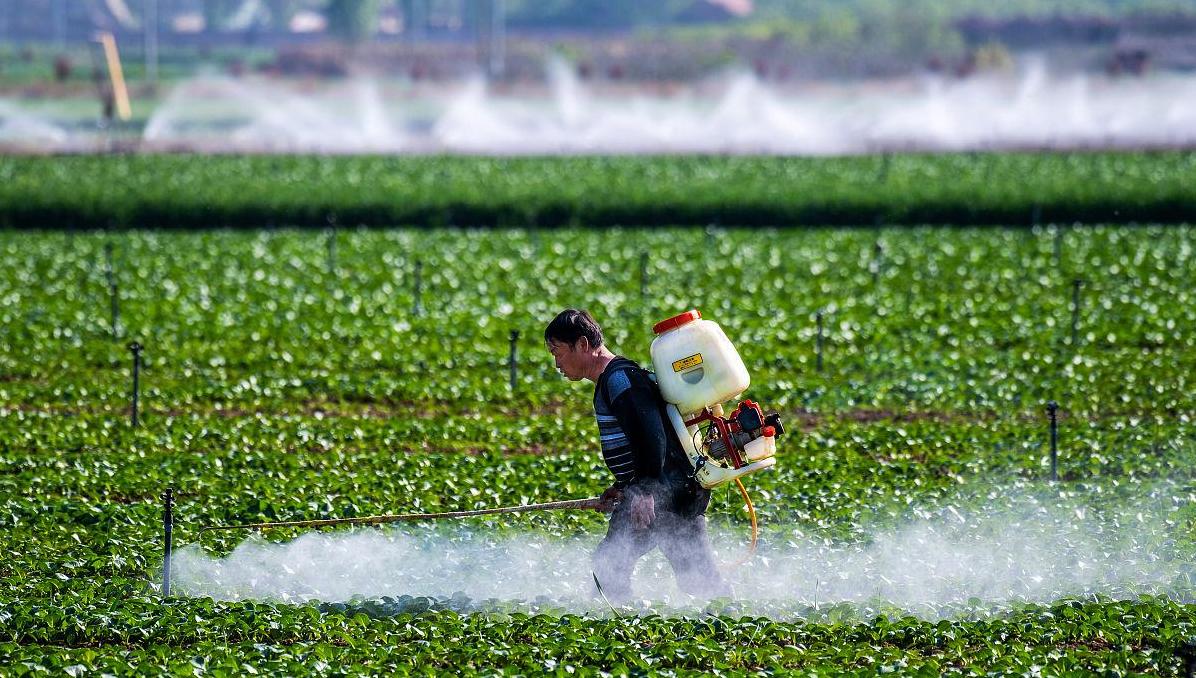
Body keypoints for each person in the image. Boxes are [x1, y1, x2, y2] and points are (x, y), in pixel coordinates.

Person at [545, 308, 730, 603]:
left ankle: (619, 628)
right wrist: (622, 487)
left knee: (608, 566)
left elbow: (652, 435)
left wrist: (644, 492)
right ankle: (730, 614)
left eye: (557, 352)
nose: (556, 363)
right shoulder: (614, 381)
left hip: (663, 493)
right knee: (698, 580)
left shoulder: (620, 381)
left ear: (582, 344)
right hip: (674, 489)